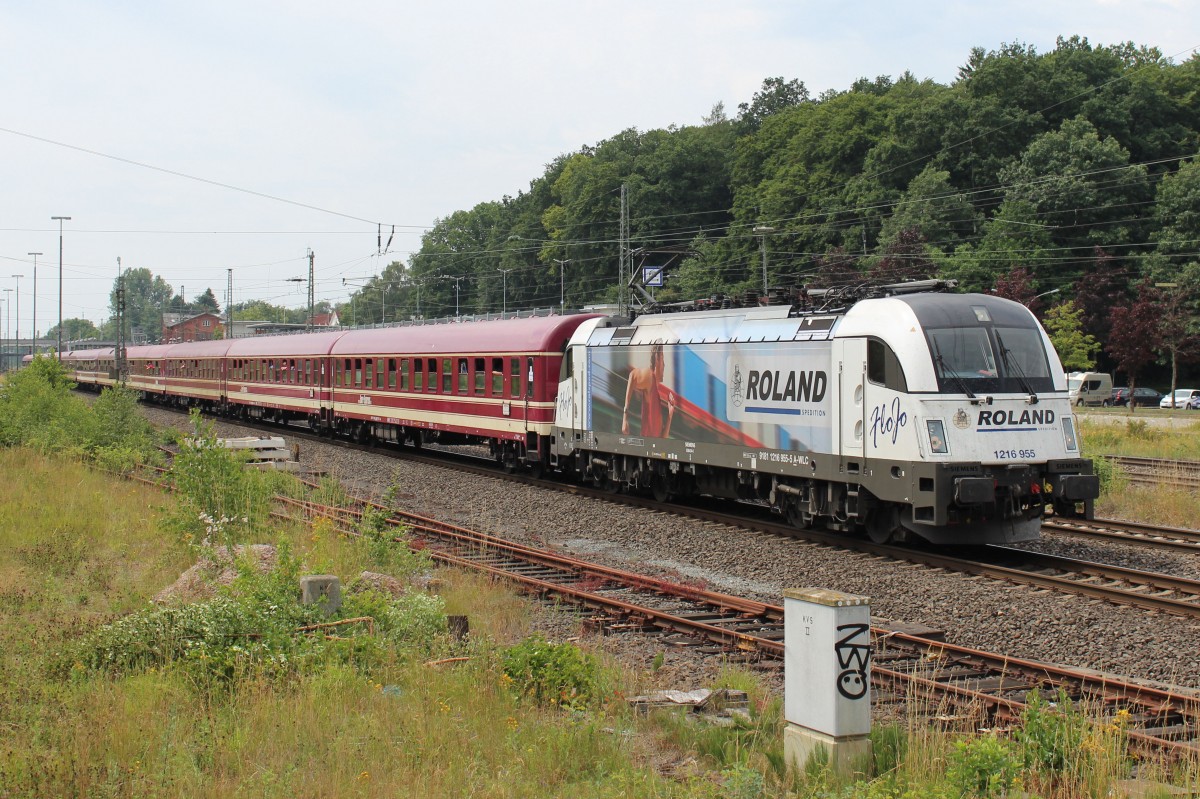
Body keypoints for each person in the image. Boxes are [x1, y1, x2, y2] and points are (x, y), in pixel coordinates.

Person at [621, 343, 676, 437]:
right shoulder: (650, 378)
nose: (664, 365)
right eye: (663, 360)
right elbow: (632, 376)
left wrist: (670, 414)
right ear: (657, 359)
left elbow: (663, 438)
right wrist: (625, 417)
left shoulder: (657, 398)